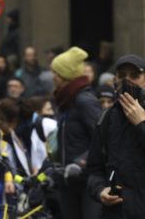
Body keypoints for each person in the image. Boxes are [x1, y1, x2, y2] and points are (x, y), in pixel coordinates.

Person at [87, 54, 145, 218]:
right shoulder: (107, 118)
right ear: (114, 81)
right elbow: (94, 169)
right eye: (122, 76)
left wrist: (141, 124)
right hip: (116, 212)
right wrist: (100, 191)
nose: (128, 81)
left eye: (135, 75)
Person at [51, 47, 102, 219]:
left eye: (56, 73)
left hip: (88, 182)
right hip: (68, 181)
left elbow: (102, 138)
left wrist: (80, 163)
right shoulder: (66, 101)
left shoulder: (84, 101)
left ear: (66, 75)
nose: (53, 77)